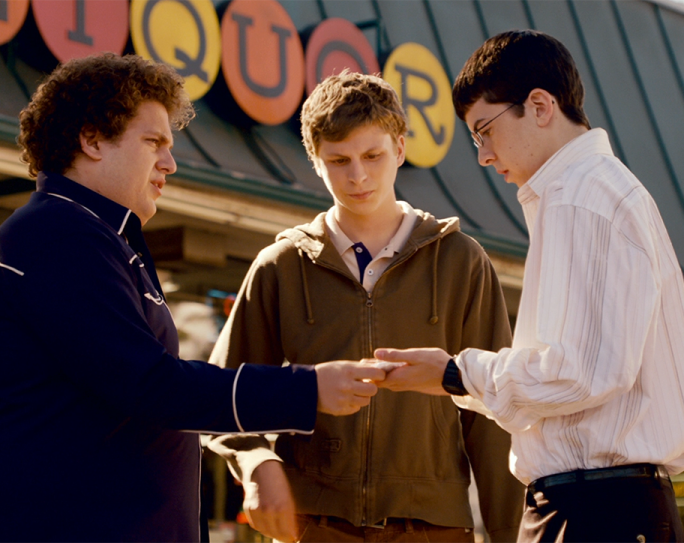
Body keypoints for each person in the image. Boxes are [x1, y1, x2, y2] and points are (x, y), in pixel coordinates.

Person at [0, 54, 386, 543]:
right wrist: (306, 391)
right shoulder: (55, 236)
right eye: (153, 142)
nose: (170, 162)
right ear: (92, 139)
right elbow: (149, 386)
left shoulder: (100, 238)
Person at [374, 30, 684, 542]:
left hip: (596, 509)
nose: (484, 156)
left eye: (484, 130)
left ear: (539, 105)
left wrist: (454, 372)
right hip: (608, 504)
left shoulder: (581, 198)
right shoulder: (595, 191)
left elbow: (582, 370)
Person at [208, 71, 524, 543]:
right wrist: (257, 462)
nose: (358, 176)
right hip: (313, 526)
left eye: (372, 156)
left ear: (399, 148)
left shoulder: (461, 261)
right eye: (339, 160)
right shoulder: (280, 267)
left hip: (433, 528)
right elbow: (223, 394)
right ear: (315, 162)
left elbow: (496, 414)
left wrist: (509, 534)